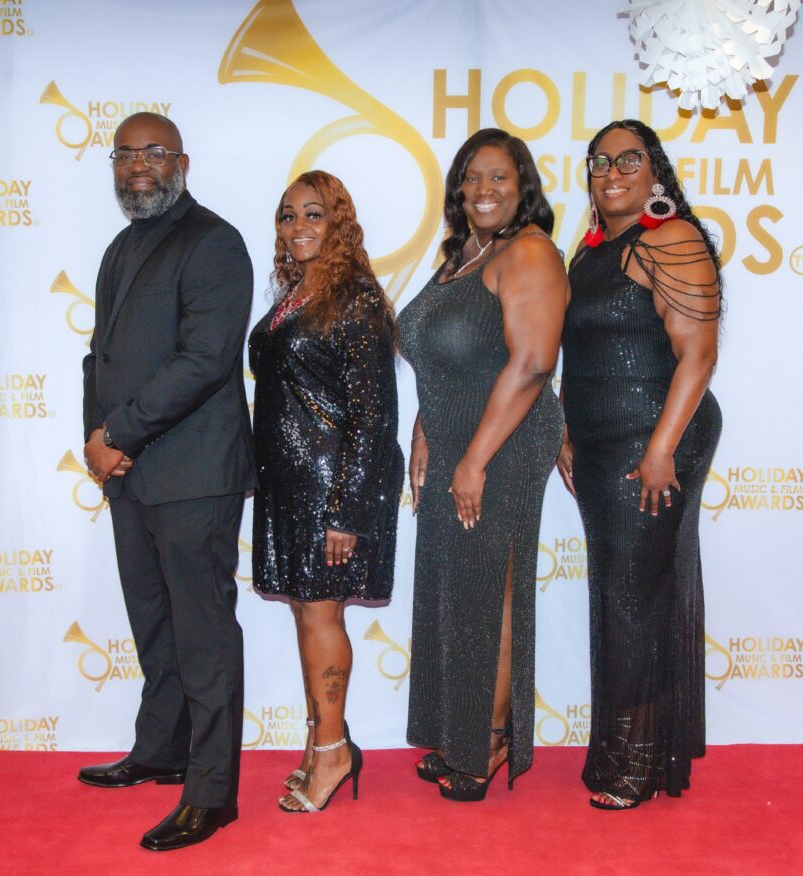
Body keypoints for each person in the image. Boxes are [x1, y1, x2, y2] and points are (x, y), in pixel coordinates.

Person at [79, 112, 255, 850]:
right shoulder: (122, 246)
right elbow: (101, 359)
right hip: (132, 475)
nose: (138, 167)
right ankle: (160, 750)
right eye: (125, 155)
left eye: (153, 154)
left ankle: (211, 793)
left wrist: (117, 433)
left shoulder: (214, 242)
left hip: (192, 475)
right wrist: (100, 445)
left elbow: (205, 360)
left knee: (203, 633)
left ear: (182, 160)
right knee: (155, 626)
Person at [558, 119, 723, 810]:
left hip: (657, 439)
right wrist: (566, 429)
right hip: (599, 441)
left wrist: (659, 449)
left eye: (629, 159)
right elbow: (580, 352)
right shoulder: (592, 251)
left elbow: (699, 354)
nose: (612, 171)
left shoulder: (671, 238)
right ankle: (624, 750)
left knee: (635, 599)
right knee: (621, 594)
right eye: (600, 161)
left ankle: (642, 761)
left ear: (654, 172)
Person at [398, 129, 567, 801]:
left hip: (504, 443)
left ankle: (491, 744)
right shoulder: (463, 259)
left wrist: (472, 459)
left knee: (491, 590)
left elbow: (531, 365)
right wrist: (424, 426)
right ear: (459, 190)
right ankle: (464, 731)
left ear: (522, 185)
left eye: (500, 176)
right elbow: (447, 356)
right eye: (473, 177)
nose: (485, 189)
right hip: (457, 440)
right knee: (456, 592)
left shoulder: (528, 252)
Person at [248, 170, 404, 813]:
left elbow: (375, 417)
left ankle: (335, 750)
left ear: (339, 222)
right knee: (307, 614)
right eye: (288, 216)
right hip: (288, 486)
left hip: (330, 489)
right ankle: (321, 744)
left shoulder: (357, 299)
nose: (299, 227)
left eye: (315, 215)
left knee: (320, 614)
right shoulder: (293, 293)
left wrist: (347, 509)